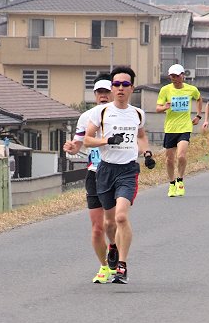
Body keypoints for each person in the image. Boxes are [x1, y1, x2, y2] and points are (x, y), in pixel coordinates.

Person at [84, 66, 156, 284]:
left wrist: (147, 152)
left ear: (132, 88)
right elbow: (87, 139)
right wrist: (107, 140)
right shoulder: (101, 112)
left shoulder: (137, 114)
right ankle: (113, 246)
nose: (120, 88)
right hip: (106, 170)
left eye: (125, 84)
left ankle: (122, 266)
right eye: (116, 84)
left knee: (121, 216)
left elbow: (141, 136)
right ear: (112, 88)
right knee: (109, 223)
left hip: (128, 171)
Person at [63, 74, 119, 284]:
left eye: (107, 92)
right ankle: (104, 266)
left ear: (113, 93)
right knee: (97, 227)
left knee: (113, 222)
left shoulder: (121, 115)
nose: (103, 96)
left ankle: (116, 252)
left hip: (115, 172)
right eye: (99, 93)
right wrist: (71, 147)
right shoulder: (85, 117)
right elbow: (77, 144)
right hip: (94, 173)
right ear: (95, 95)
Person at [156, 64, 201, 197]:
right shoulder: (165, 90)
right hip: (170, 128)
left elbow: (199, 98)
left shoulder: (191, 89)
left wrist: (198, 115)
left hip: (185, 127)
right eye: (172, 76)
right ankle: (171, 184)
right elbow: (157, 108)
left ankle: (180, 180)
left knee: (181, 156)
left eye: (177, 76)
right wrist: (165, 107)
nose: (174, 78)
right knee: (169, 160)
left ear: (182, 75)